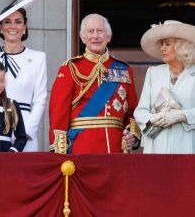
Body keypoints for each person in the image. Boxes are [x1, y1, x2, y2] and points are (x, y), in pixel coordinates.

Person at [49, 13, 140, 154]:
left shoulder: (123, 69)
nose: (95, 36)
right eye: (90, 31)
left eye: (100, 31)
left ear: (108, 36)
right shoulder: (70, 68)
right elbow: (58, 112)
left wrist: (132, 135)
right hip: (82, 146)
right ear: (82, 37)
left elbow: (132, 110)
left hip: (117, 148)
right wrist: (60, 151)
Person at [0, 0, 47, 151]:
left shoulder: (38, 57)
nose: (12, 26)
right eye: (7, 22)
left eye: (18, 21)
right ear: (0, 28)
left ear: (24, 27)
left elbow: (40, 99)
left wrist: (27, 131)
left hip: (25, 124)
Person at [134, 20, 195, 154]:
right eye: (162, 44)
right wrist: (151, 118)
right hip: (156, 147)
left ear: (182, 47)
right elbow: (140, 112)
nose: (162, 48)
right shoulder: (153, 72)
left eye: (167, 44)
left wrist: (183, 116)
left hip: (187, 146)